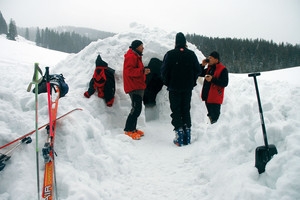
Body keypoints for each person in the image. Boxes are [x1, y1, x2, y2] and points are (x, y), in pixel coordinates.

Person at [161, 32, 201, 146]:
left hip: (174, 87)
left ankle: (179, 135)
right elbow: (198, 70)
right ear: (185, 42)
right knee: (185, 109)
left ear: (176, 42)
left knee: (176, 110)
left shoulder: (170, 54)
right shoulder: (191, 54)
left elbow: (163, 71)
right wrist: (192, 81)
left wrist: (167, 82)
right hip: (187, 88)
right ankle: (187, 133)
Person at [123, 40, 150, 140]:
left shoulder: (136, 56)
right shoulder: (131, 57)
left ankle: (133, 129)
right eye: (141, 46)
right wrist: (142, 71)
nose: (143, 48)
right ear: (136, 47)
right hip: (133, 87)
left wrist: (143, 71)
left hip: (138, 85)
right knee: (136, 109)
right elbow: (129, 71)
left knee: (137, 109)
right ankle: (128, 130)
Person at [200, 51, 229, 124]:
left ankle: (215, 131)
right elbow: (199, 73)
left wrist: (212, 79)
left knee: (215, 118)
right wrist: (202, 65)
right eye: (208, 58)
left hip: (215, 98)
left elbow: (224, 83)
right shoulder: (209, 68)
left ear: (216, 60)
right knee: (210, 116)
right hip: (207, 97)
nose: (208, 59)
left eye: (210, 58)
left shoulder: (223, 69)